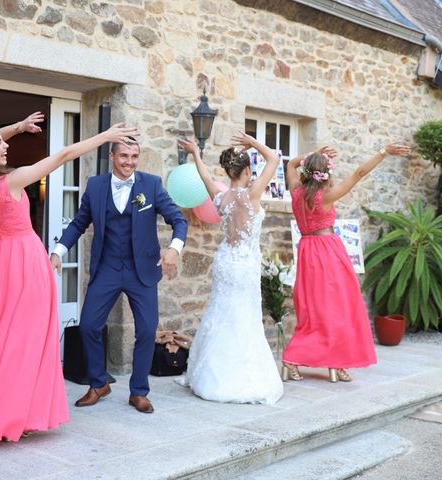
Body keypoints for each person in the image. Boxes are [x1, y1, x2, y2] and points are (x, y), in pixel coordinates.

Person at [0, 116, 139, 443]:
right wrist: (104, 136)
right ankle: (13, 413)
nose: (5, 146)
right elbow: (61, 156)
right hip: (25, 262)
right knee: (24, 341)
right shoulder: (13, 180)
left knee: (0, 338)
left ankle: (8, 408)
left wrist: (15, 128)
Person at [50, 137, 188, 414]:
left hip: (142, 271)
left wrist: (174, 249)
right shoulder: (97, 186)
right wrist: (58, 252)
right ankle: (99, 383)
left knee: (147, 331)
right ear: (112, 156)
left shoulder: (150, 184)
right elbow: (79, 222)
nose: (129, 162)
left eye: (134, 156)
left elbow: (178, 220)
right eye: (124, 156)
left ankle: (138, 391)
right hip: (108, 267)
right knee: (89, 325)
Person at [281, 143, 411, 382]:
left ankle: (337, 359)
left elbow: (290, 163)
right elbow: (359, 173)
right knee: (338, 307)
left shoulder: (295, 191)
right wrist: (383, 152)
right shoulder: (326, 196)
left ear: (305, 171)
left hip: (308, 251)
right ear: (326, 174)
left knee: (315, 310)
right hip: (328, 252)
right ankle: (295, 357)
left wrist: (312, 155)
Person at [176, 133, 283, 405]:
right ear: (247, 170)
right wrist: (254, 142)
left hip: (226, 261)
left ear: (227, 171)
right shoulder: (253, 193)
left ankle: (208, 376)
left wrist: (195, 153)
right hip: (245, 264)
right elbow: (273, 157)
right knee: (244, 317)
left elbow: (204, 177)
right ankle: (238, 378)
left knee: (220, 311)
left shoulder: (220, 196)